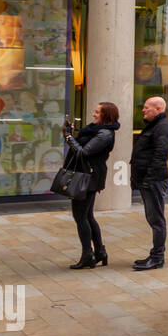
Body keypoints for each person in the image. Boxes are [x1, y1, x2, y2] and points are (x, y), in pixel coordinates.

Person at [62, 101, 120, 270]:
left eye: (97, 112)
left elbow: (83, 152)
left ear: (105, 115)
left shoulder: (104, 134)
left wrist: (68, 136)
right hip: (87, 175)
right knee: (87, 216)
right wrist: (71, 134)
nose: (93, 114)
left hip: (88, 177)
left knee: (81, 216)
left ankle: (88, 254)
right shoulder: (95, 129)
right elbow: (81, 147)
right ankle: (100, 252)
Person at [131, 96, 168, 271]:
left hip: (154, 180)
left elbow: (160, 155)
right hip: (147, 180)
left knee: (156, 219)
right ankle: (155, 254)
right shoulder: (154, 126)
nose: (143, 110)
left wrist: (149, 179)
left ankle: (157, 257)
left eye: (146, 107)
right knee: (153, 218)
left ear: (158, 109)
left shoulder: (163, 127)